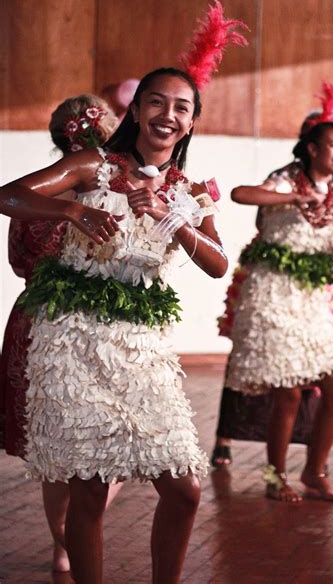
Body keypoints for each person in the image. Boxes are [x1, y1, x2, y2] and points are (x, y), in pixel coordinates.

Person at [0, 66, 229, 584]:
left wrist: (175, 221)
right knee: (89, 488)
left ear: (191, 122)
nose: (167, 115)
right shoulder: (94, 165)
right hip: (74, 340)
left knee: (184, 487)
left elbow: (218, 263)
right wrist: (71, 211)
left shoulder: (191, 192)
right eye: (156, 102)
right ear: (136, 109)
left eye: (181, 107)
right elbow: (7, 195)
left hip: (141, 349)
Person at [222, 120, 333, 503]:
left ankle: (314, 470)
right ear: (312, 148)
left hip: (310, 300)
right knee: (288, 391)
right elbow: (240, 194)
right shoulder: (286, 178)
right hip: (272, 295)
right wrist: (292, 198)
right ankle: (276, 477)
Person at [0, 94, 120, 573]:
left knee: (58, 451)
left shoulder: (37, 197)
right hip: (103, 325)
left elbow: (18, 262)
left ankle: (65, 543)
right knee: (107, 445)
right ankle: (78, 532)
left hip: (38, 315)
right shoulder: (122, 194)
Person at [212, 243, 333, 469]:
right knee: (255, 361)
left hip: (321, 282)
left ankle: (314, 455)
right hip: (274, 275)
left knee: (318, 370)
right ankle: (228, 439)